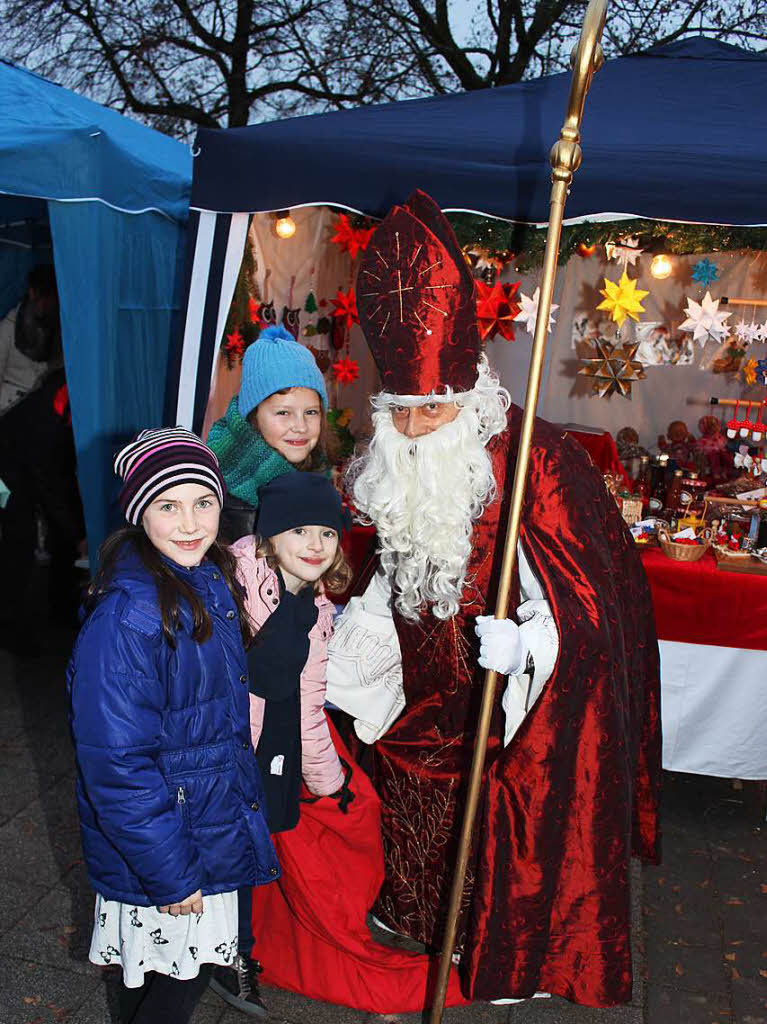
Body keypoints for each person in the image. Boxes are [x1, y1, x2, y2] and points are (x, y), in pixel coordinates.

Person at [325, 191, 661, 1008]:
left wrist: (533, 649)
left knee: (511, 797)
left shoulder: (534, 463)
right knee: (403, 769)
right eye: (401, 414)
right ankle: (422, 918)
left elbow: (590, 604)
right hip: (422, 687)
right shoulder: (397, 457)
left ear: (470, 392)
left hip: (511, 700)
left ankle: (512, 943)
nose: (415, 431)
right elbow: (391, 569)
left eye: (433, 410)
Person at [67, 427, 279, 1024]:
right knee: (173, 990)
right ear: (140, 514)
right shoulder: (131, 615)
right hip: (171, 845)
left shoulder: (204, 579)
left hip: (197, 825)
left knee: (153, 983)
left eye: (203, 502)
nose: (190, 522)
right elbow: (116, 764)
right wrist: (170, 870)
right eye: (168, 505)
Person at [210, 472, 355, 1016]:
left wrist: (329, 781)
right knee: (223, 847)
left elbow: (308, 703)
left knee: (248, 849)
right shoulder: (236, 579)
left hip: (271, 740)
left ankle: (234, 954)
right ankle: (221, 954)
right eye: (299, 531)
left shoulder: (316, 611)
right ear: (270, 537)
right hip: (221, 743)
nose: (315, 545)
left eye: (327, 533)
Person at [0, 263, 84, 651]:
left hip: (40, 434)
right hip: (11, 450)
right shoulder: (6, 330)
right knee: (16, 536)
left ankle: (61, 611)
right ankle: (10, 622)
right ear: (34, 294)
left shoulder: (62, 341)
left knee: (60, 529)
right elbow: (48, 480)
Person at [207, 325, 335, 544]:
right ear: (253, 415)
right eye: (283, 412)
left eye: (311, 412)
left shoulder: (317, 475)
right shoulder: (223, 492)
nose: (301, 426)